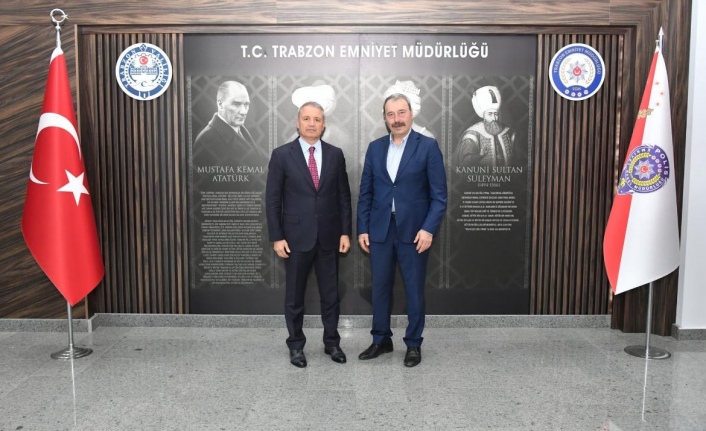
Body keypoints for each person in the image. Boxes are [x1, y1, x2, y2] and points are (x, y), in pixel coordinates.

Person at [356, 93, 447, 368]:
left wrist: (428, 229)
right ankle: (381, 339)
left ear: (411, 114)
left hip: (414, 232)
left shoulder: (428, 146)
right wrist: (362, 228)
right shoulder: (375, 148)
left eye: (401, 112)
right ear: (385, 118)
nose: (397, 119)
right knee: (380, 288)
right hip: (380, 230)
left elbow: (439, 196)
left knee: (414, 290)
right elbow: (366, 193)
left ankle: (414, 344)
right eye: (391, 114)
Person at [265, 101, 353, 368]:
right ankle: (295, 345)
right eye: (306, 118)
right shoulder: (282, 155)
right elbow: (273, 200)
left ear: (324, 124)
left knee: (331, 295)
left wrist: (345, 232)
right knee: (294, 297)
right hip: (294, 238)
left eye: (317, 119)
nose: (312, 123)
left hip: (329, 236)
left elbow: (343, 197)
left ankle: (332, 343)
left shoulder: (335, 154)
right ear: (298, 122)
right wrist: (277, 236)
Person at [193, 80, 269, 167]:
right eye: (236, 104)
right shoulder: (206, 140)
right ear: (220, 104)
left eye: (246, 104)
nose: (244, 112)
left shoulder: (241, 130)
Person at [454, 85, 517, 167]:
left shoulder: (509, 132)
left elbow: (517, 159)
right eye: (490, 114)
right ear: (483, 115)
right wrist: (480, 155)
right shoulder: (472, 134)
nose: (494, 118)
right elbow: (464, 162)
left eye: (496, 114)